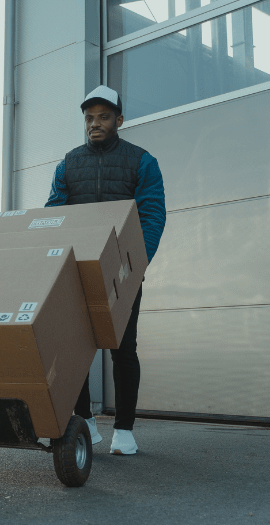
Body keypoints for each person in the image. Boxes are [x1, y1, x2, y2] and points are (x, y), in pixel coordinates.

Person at [45, 86, 166, 455]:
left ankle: (125, 431)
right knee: (75, 349)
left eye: (103, 117)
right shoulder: (68, 163)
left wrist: (136, 265)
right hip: (76, 272)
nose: (94, 124)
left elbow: (152, 215)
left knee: (122, 349)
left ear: (119, 120)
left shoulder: (142, 162)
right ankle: (87, 422)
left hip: (123, 274)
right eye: (89, 118)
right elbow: (54, 213)